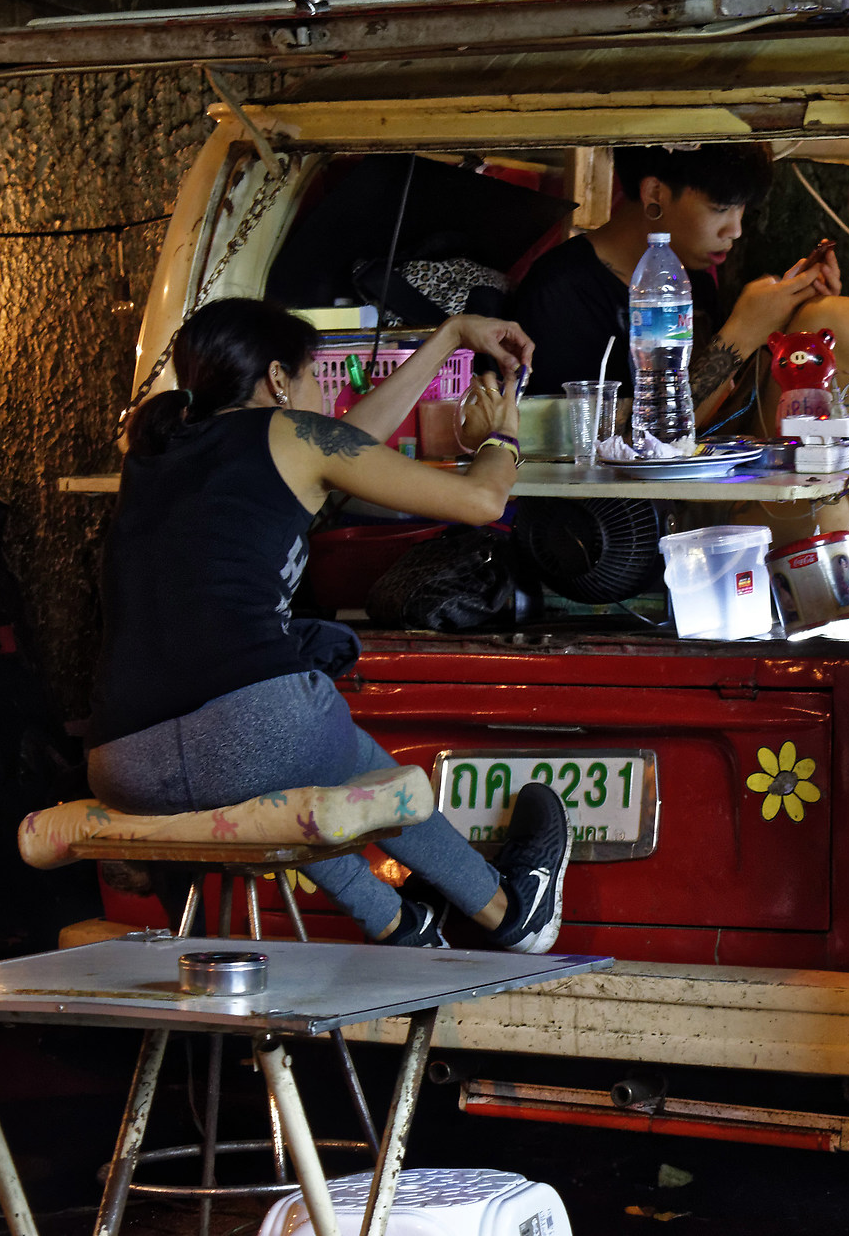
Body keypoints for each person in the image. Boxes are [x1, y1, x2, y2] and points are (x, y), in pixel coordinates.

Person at [89, 299, 568, 951]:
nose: (326, 395)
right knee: (355, 777)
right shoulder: (290, 433)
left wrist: (450, 335)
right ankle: (512, 912)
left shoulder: (147, 455)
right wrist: (499, 433)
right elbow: (484, 498)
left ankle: (400, 921)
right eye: (318, 376)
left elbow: (349, 443)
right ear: (280, 380)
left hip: (122, 761)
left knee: (281, 785)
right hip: (256, 730)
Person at [511, 143, 849, 426]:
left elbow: (725, 405)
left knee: (826, 315)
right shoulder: (561, 291)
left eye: (742, 210)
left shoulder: (691, 277)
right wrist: (742, 332)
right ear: (656, 193)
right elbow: (634, 441)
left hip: (721, 464)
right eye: (720, 208)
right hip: (640, 503)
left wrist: (783, 321)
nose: (735, 230)